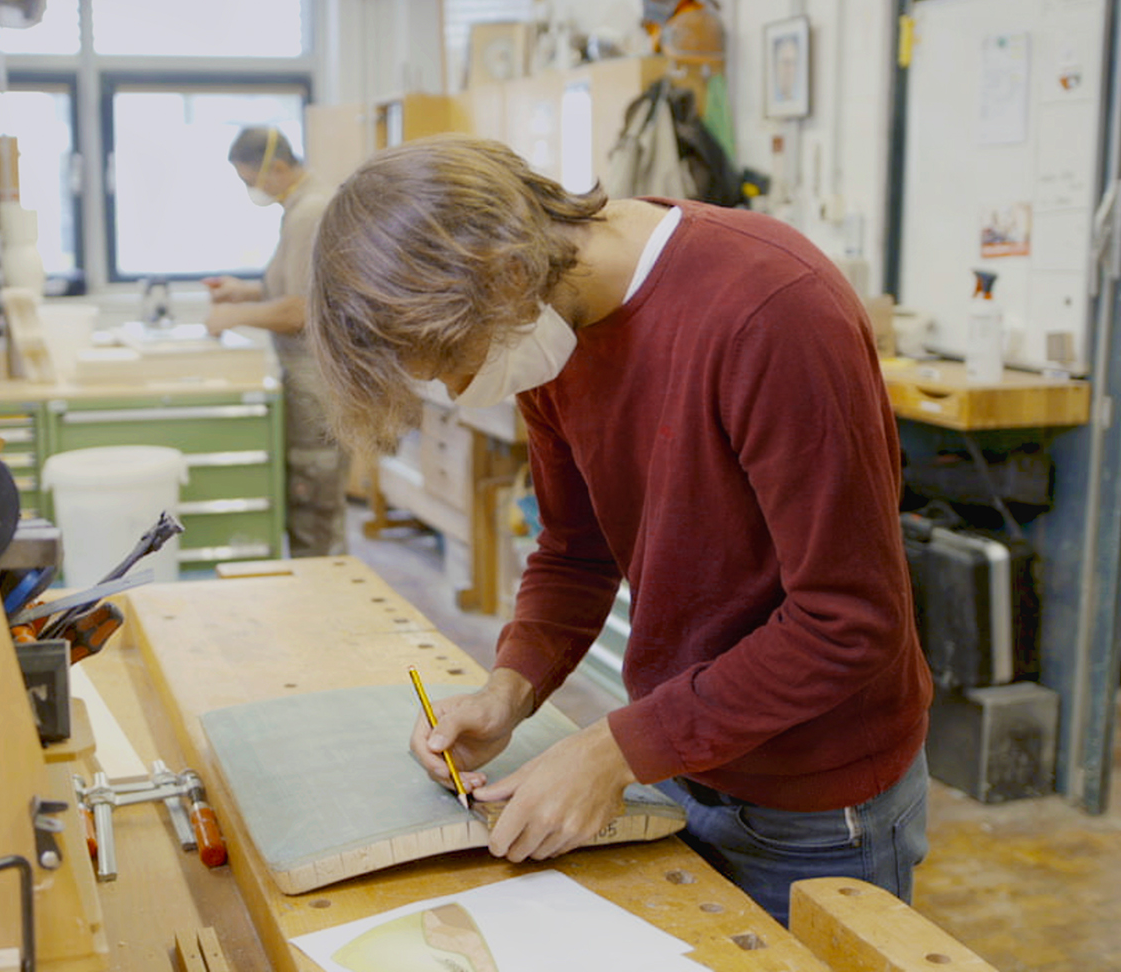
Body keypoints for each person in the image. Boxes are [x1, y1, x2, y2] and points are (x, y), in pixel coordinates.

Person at [305, 135, 933, 925]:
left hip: (814, 805)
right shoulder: (547, 324)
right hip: (684, 758)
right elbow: (575, 549)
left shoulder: (771, 310)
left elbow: (850, 623)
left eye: (454, 361)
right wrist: (511, 689)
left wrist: (612, 750)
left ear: (505, 273)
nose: (464, 391)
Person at [203, 126, 349, 558]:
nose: (253, 190)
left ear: (278, 167)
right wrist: (242, 292)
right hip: (304, 381)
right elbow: (287, 286)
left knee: (314, 512)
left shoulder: (311, 211)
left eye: (251, 181)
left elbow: (302, 310)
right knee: (307, 508)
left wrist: (232, 316)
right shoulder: (298, 208)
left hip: (318, 386)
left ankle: (324, 610)